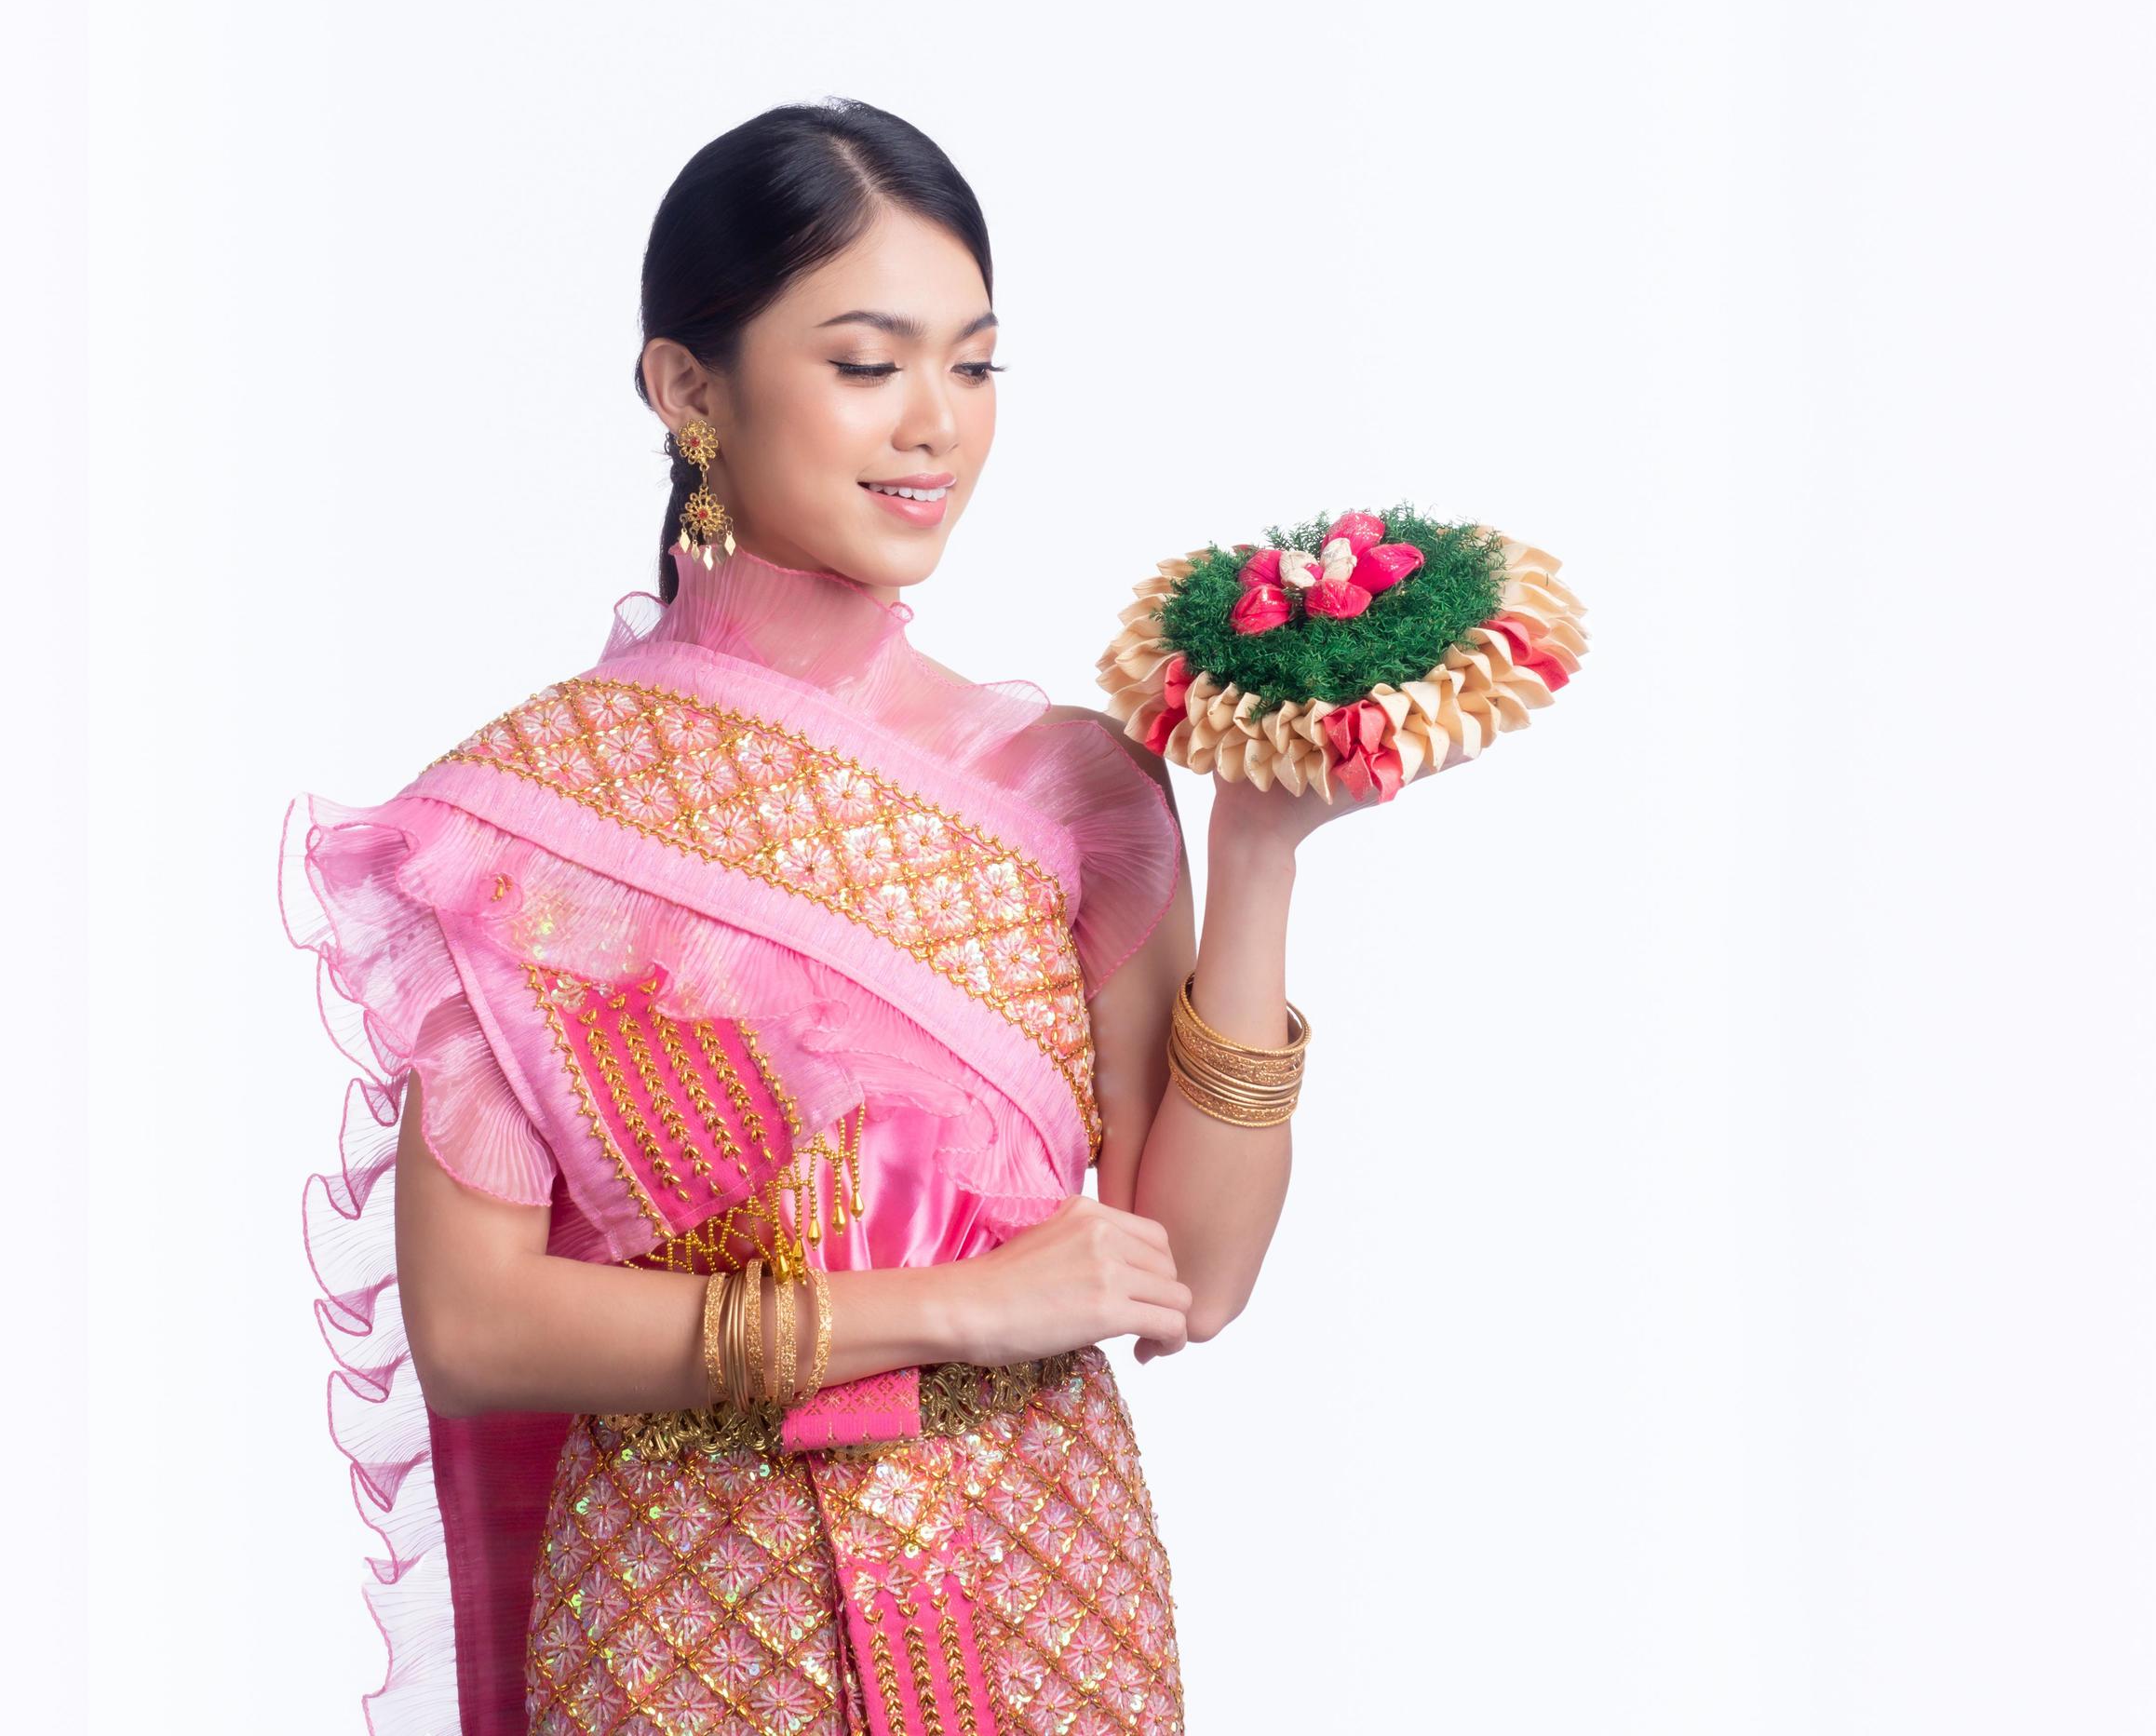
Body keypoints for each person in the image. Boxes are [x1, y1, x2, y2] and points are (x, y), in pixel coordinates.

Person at [278, 99, 1368, 1736]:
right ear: (686, 388)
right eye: (867, 365)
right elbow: (479, 1326)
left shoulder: (1071, 787)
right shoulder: (514, 824)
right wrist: (943, 1309)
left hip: (1044, 1590)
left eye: (975, 366)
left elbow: (1192, 1276)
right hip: (686, 1622)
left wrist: (1262, 850)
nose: (934, 425)